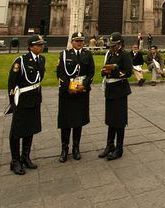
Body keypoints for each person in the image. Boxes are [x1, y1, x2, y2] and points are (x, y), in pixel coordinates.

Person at [7, 35, 46, 175]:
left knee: (30, 128)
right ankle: (15, 161)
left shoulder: (41, 60)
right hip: (22, 100)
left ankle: (26, 157)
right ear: (30, 46)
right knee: (17, 131)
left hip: (34, 99)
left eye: (41, 45)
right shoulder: (20, 61)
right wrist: (13, 102)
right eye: (38, 45)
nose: (40, 47)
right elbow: (12, 83)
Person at [56, 32, 95, 162]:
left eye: (81, 41)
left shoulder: (87, 55)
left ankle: (76, 148)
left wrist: (84, 86)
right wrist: (69, 87)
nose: (79, 43)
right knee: (66, 121)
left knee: (79, 121)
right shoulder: (64, 55)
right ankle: (64, 149)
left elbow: (91, 72)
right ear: (72, 42)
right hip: (68, 93)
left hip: (81, 92)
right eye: (77, 41)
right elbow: (60, 74)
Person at [98, 32, 132, 161]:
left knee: (119, 121)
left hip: (120, 90)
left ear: (120, 44)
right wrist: (104, 72)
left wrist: (113, 73)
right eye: (111, 45)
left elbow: (128, 72)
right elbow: (105, 68)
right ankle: (109, 145)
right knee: (110, 119)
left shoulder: (125, 55)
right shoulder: (110, 54)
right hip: (110, 90)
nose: (111, 47)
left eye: (114, 45)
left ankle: (119, 148)